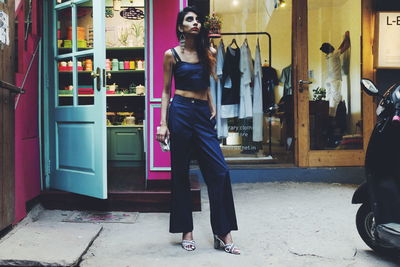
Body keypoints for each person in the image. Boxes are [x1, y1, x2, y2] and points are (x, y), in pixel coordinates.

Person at [156, 6, 240, 255]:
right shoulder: (171, 55)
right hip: (180, 111)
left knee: (219, 171)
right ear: (181, 27)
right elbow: (165, 91)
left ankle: (222, 231)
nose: (195, 23)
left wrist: (211, 105)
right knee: (180, 172)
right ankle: (186, 231)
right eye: (188, 19)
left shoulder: (209, 52)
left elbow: (208, 82)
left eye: (197, 20)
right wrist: (163, 123)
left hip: (202, 114)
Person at [320, 31, 350, 116]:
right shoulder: (334, 55)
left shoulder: (329, 56)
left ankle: (328, 115)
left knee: (329, 98)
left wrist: (344, 39)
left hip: (329, 80)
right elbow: (346, 46)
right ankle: (332, 117)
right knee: (335, 98)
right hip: (335, 80)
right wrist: (347, 36)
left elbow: (339, 48)